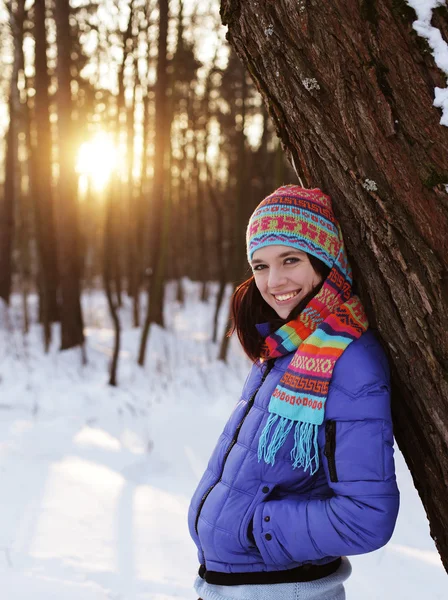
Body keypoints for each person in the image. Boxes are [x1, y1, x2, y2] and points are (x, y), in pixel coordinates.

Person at [188, 185, 400, 600]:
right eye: (261, 265)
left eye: (290, 260)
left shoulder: (349, 360)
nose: (274, 281)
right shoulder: (284, 347)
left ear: (325, 261)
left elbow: (367, 516)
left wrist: (257, 526)